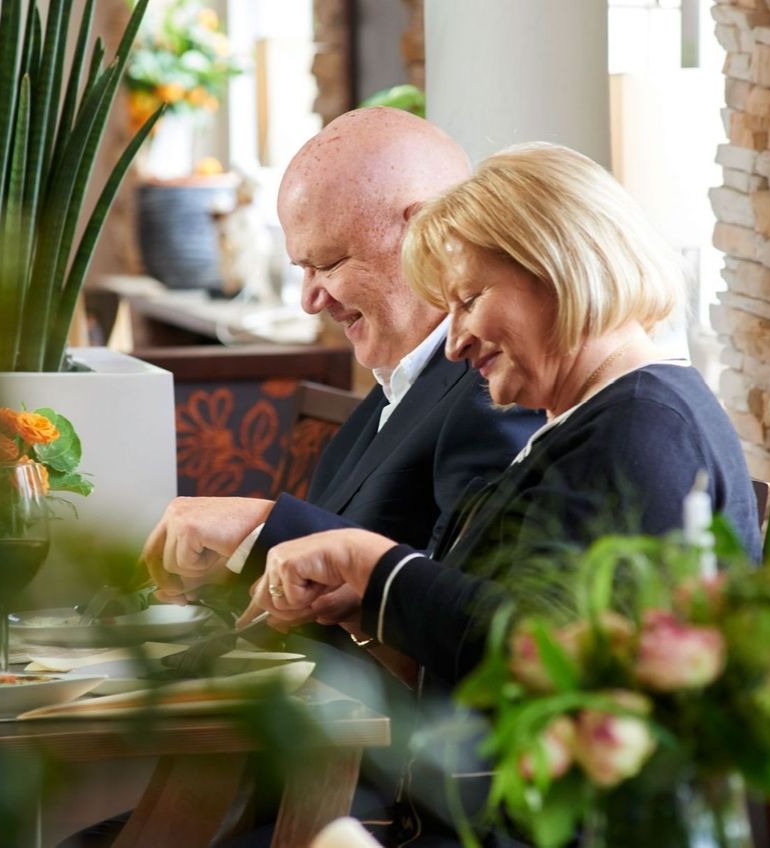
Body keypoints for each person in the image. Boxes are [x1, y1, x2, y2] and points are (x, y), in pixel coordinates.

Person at [241, 142, 761, 844]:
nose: (453, 342)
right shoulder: (602, 419)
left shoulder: (642, 430)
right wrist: (368, 607)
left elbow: (550, 655)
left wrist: (376, 569)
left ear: (556, 269)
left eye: (468, 300)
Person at [140, 107, 543, 606]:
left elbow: (454, 613)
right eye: (301, 269)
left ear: (426, 235)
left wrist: (261, 526)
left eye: (327, 264)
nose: (309, 299)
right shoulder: (396, 384)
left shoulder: (494, 389)